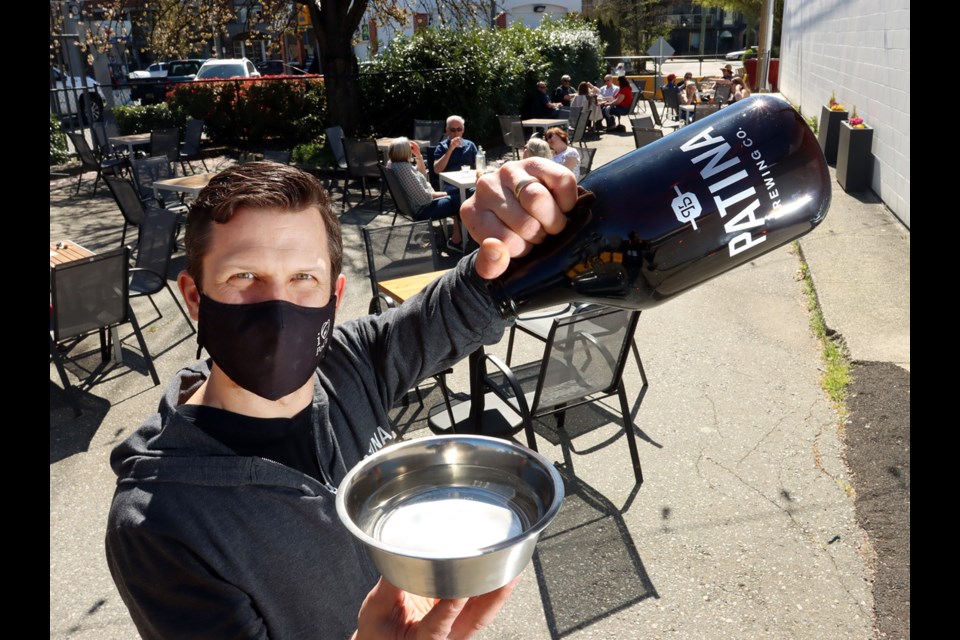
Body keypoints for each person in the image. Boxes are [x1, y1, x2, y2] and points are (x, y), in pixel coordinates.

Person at [104, 158, 580, 640]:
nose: (278, 308)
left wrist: (525, 227)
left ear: (335, 295)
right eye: (244, 276)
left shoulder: (350, 362)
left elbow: (472, 296)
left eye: (303, 279)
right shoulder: (158, 524)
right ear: (194, 297)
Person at [387, 137, 463, 248]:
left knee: (457, 192)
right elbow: (425, 197)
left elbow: (422, 174)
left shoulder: (394, 164)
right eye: (409, 149)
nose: (410, 151)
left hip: (414, 205)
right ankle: (457, 241)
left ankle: (460, 235)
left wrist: (418, 156)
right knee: (462, 197)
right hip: (423, 209)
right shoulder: (404, 169)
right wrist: (446, 194)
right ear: (405, 152)